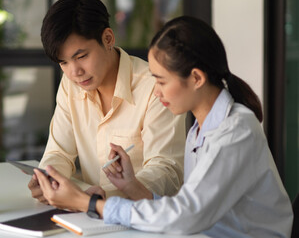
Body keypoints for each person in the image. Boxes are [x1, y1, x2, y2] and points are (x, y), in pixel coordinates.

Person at [34, 16, 294, 237]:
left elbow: (187, 215)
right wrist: (132, 186)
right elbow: (186, 208)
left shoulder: (235, 131)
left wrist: (90, 203)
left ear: (196, 78)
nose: (155, 92)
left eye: (160, 81)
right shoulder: (201, 130)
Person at [28, 0, 186, 203]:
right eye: (63, 62)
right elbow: (59, 152)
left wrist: (106, 198)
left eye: (81, 56)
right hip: (88, 218)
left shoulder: (154, 87)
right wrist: (49, 179)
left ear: (108, 38)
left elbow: (166, 170)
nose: (74, 72)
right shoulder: (70, 85)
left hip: (144, 218)